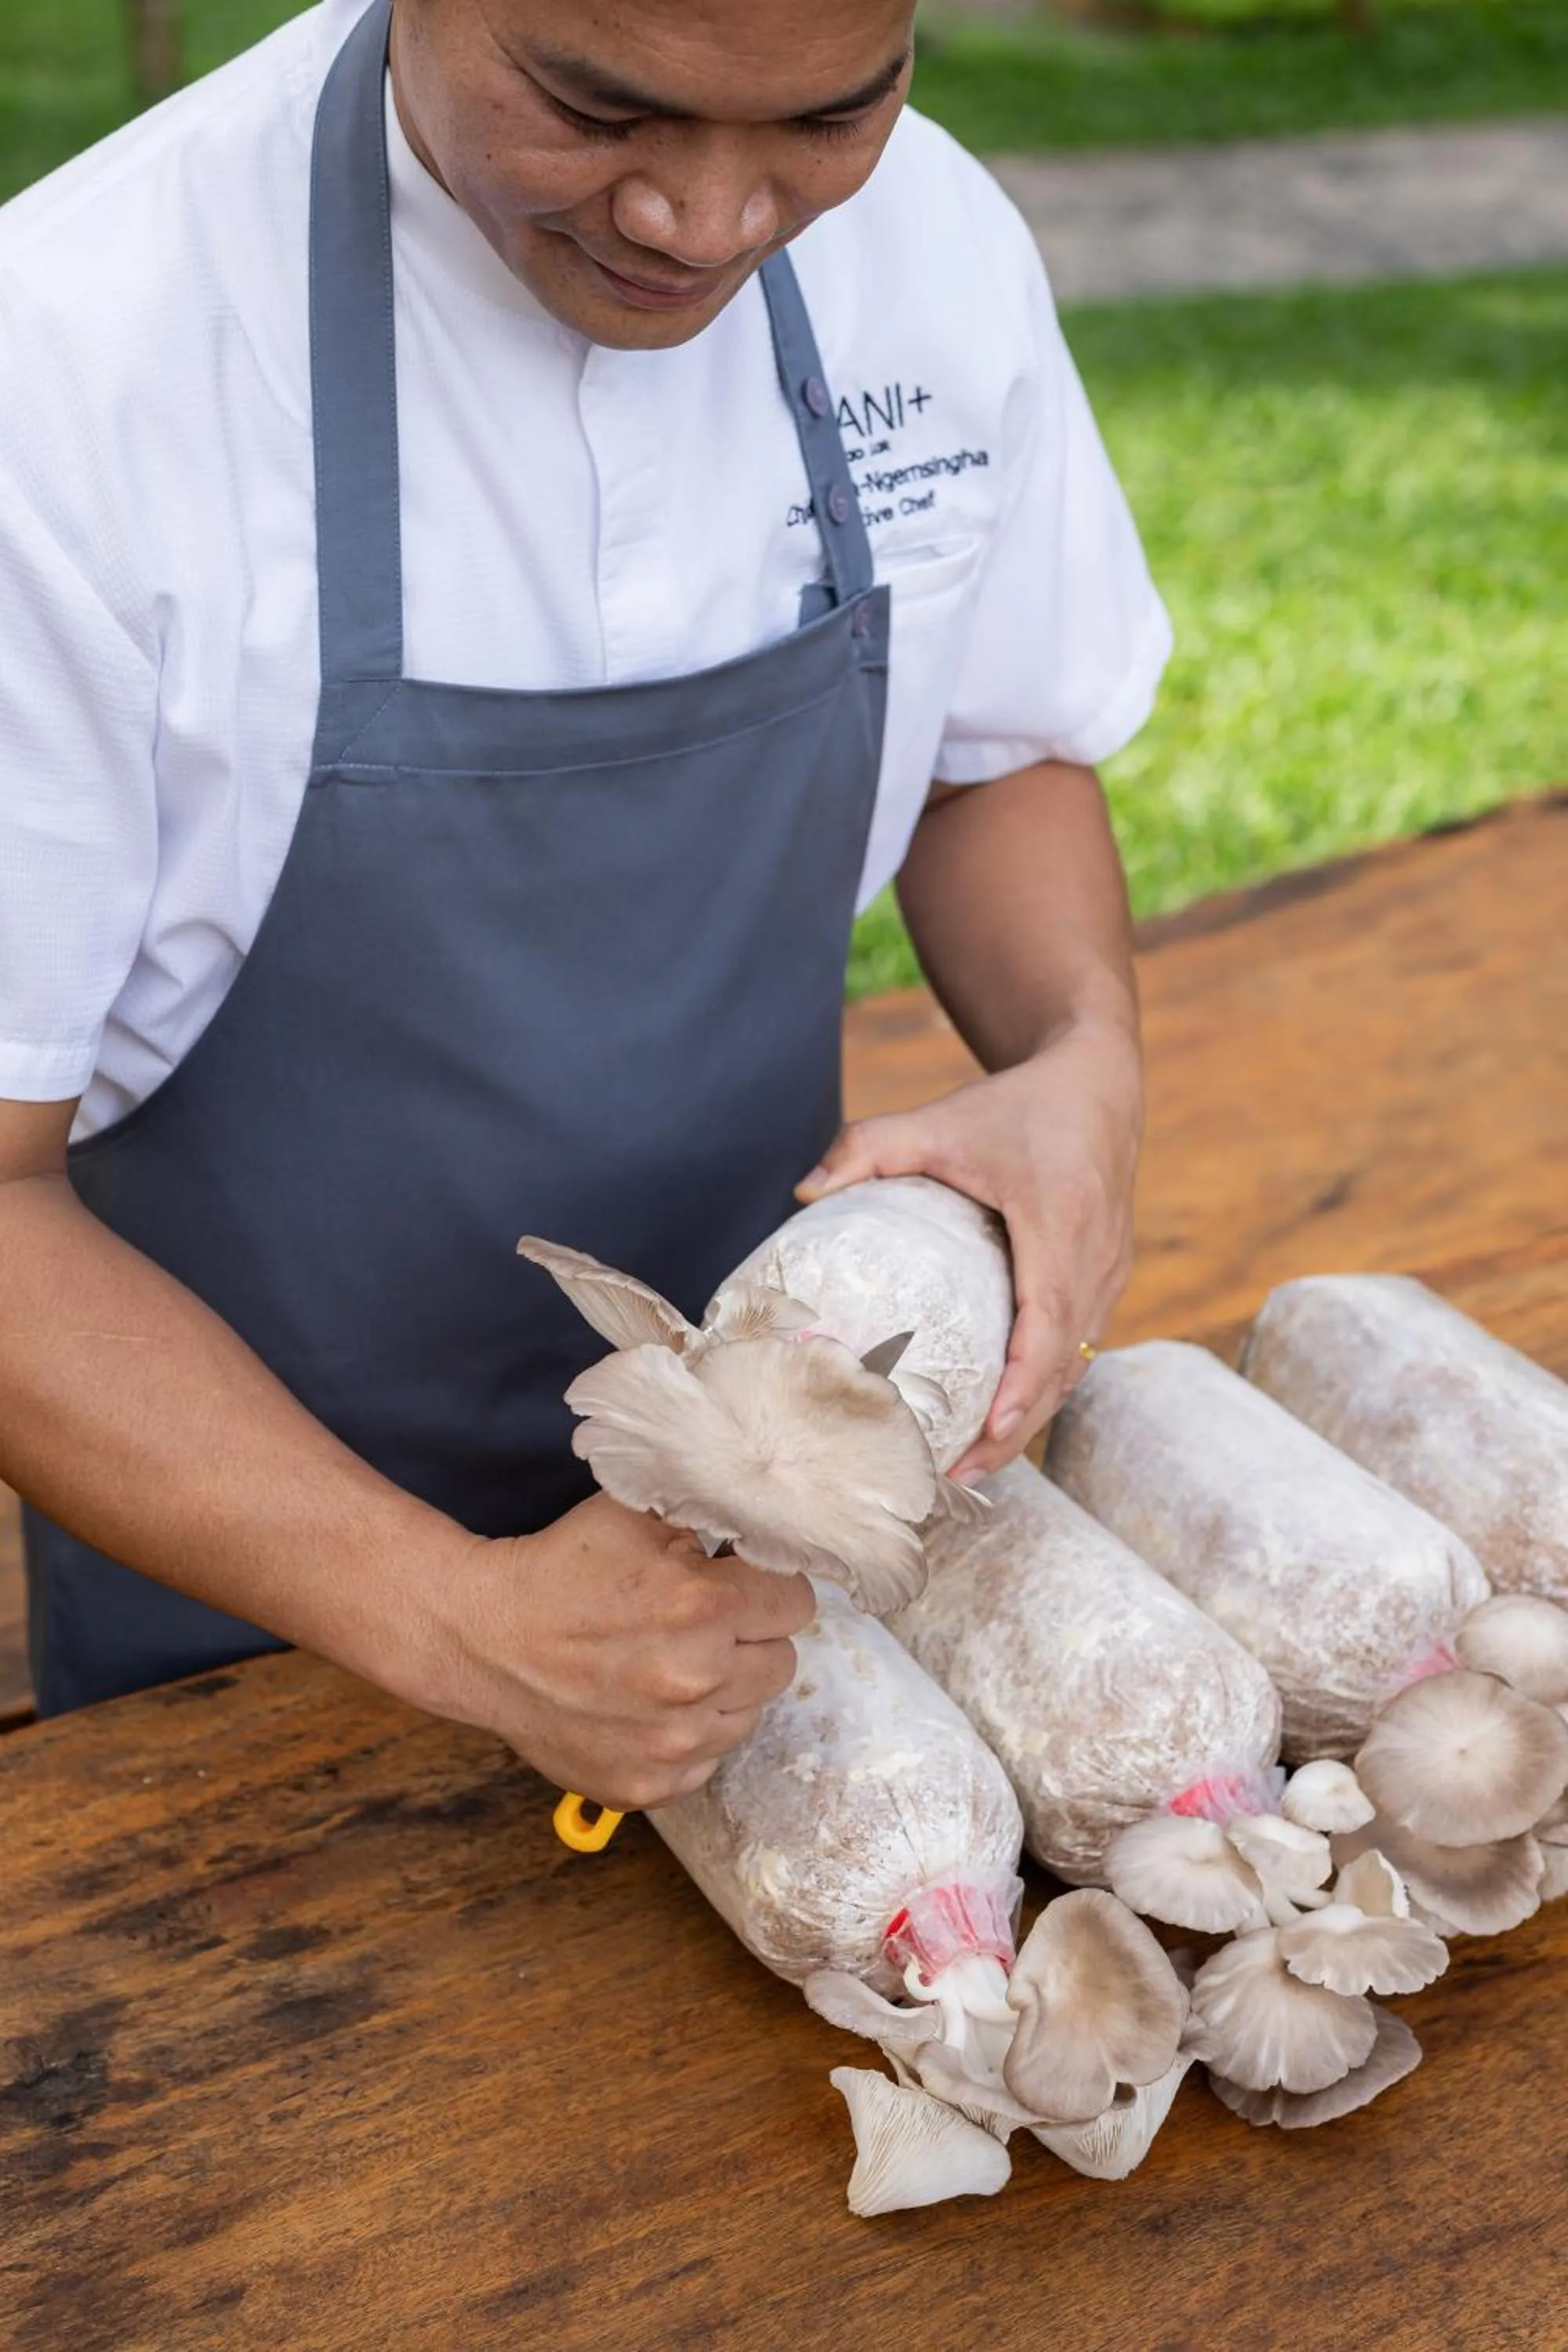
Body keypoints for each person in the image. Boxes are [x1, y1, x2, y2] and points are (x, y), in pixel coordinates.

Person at [0, 0, 1168, 1807]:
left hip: (788, 1607)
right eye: (592, 107)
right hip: (251, 1655)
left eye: (828, 114)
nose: (706, 222)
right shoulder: (72, 363)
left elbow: (988, 747)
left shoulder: (926, 241)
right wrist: (461, 1619)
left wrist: (1079, 1052)